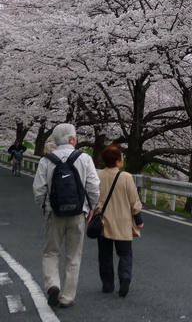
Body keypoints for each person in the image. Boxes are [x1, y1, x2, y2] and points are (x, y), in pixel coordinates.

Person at [32, 124, 100, 309]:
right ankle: (67, 297)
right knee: (73, 256)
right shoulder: (84, 158)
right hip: (78, 213)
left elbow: (39, 190)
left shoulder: (46, 160)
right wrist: (91, 207)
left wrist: (46, 207)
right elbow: (93, 186)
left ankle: (53, 285)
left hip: (54, 213)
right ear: (71, 139)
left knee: (50, 252)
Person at [96, 143, 143, 298]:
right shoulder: (126, 177)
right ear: (117, 161)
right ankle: (125, 277)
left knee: (105, 255)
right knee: (125, 253)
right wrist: (138, 219)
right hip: (123, 222)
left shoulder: (98, 175)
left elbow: (92, 197)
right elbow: (134, 201)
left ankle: (108, 284)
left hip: (104, 222)